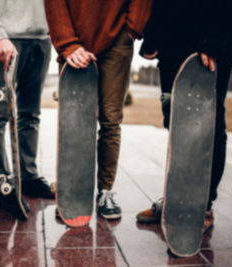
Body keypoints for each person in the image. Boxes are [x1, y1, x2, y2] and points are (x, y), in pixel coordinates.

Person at [136, 0, 232, 229]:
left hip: (209, 39)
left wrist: (214, 41)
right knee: (175, 121)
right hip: (172, 39)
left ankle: (202, 205)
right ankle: (177, 200)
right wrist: (153, 36)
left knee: (210, 124)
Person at [45, 0, 153, 220]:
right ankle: (74, 191)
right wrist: (67, 43)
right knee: (74, 120)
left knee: (111, 119)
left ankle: (105, 192)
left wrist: (132, 28)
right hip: (73, 38)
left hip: (118, 39)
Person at [0, 0, 54, 212]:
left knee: (31, 114)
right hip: (3, 39)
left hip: (41, 39)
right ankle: (3, 187)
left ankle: (28, 177)